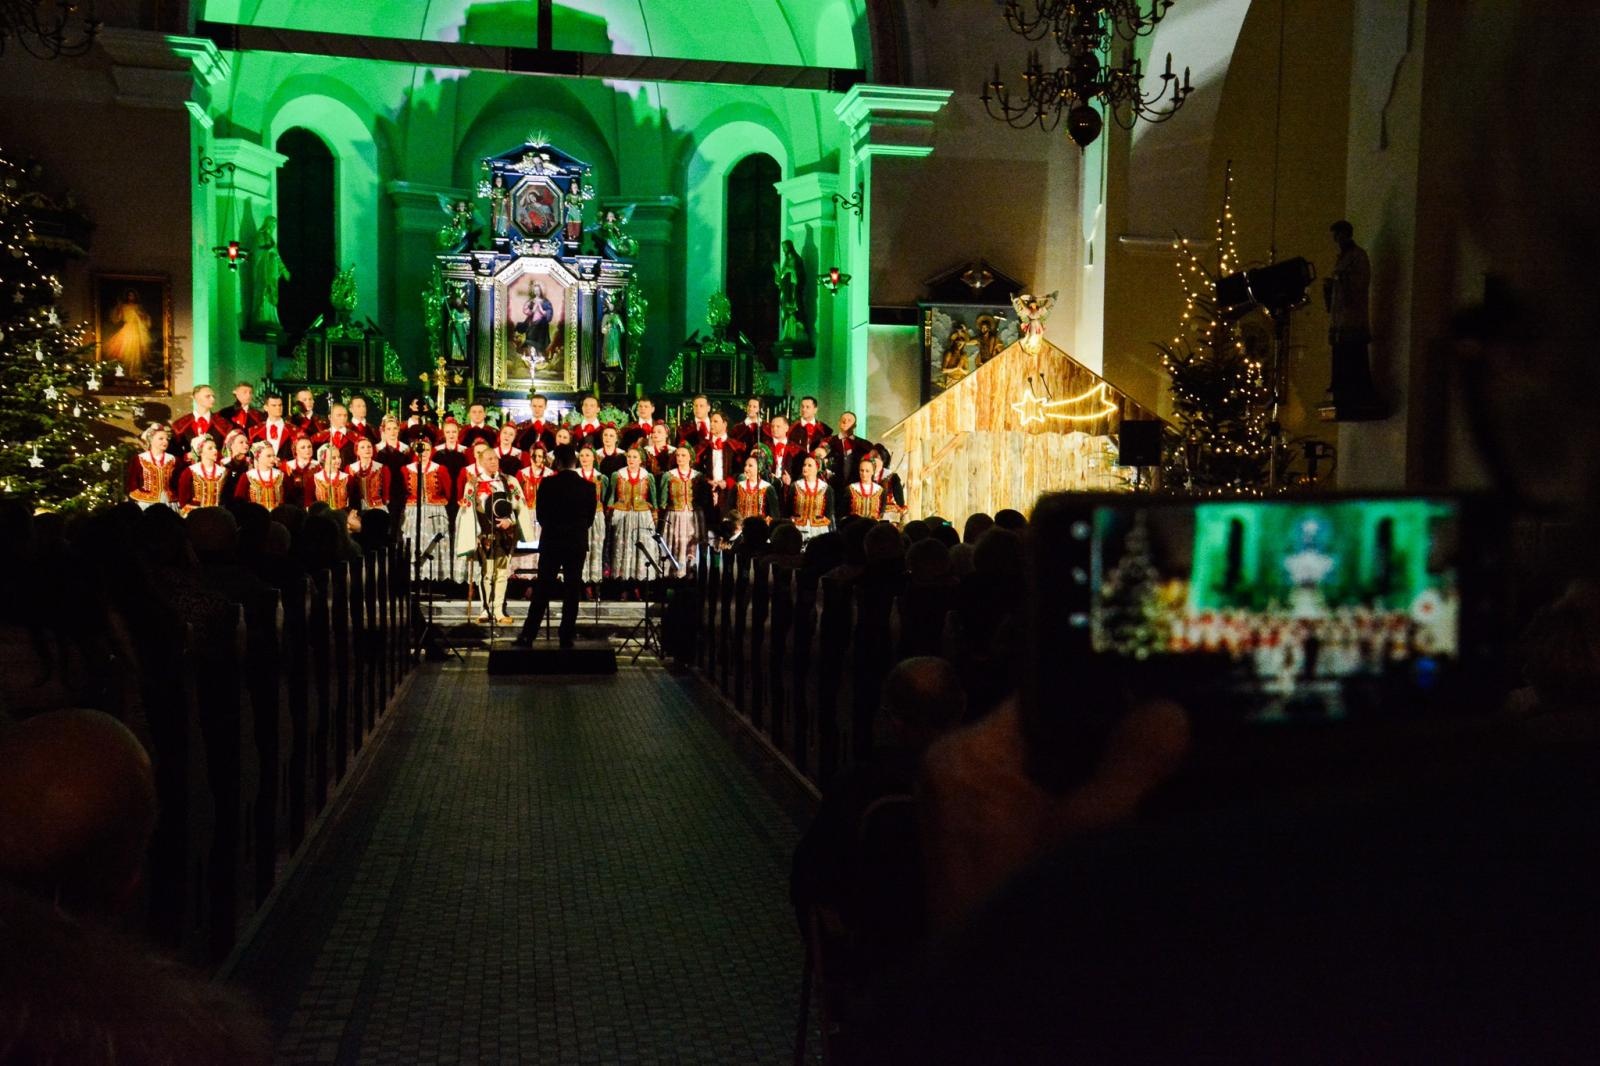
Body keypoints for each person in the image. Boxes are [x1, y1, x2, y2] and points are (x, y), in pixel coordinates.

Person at [515, 445, 596, 648]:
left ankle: (529, 635)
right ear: (574, 462)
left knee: (543, 588)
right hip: (576, 543)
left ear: (557, 463)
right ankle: (566, 635)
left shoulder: (548, 484)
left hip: (552, 541)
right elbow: (589, 519)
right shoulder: (588, 487)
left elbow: (541, 516)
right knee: (572, 589)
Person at [1324, 219, 1383, 416]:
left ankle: (1355, 387)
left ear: (1346, 234)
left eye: (1338, 235)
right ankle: (1340, 385)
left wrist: (1342, 282)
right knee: (1340, 350)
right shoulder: (1342, 257)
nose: (1336, 240)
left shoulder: (1358, 256)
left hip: (1352, 314)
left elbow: (1361, 281)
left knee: (1353, 351)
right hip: (1340, 314)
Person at [468, 450, 531, 626]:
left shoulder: (509, 481)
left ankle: (498, 610)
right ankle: (485, 609)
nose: (494, 461)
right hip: (485, 536)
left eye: (495, 458)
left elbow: (520, 505)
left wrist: (509, 521)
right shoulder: (474, 483)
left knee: (502, 573)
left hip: (504, 536)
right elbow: (467, 512)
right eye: (489, 459)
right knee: (487, 573)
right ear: (480, 461)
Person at [607, 447, 657, 591]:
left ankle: (639, 586)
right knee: (623, 548)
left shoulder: (647, 476)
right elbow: (611, 498)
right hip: (623, 515)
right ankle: (623, 586)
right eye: (629, 456)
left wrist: (654, 516)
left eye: (635, 457)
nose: (631, 460)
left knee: (641, 549)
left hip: (642, 515)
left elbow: (654, 500)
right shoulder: (618, 475)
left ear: (641, 460)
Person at [402, 438, 453, 568]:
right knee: (414, 540)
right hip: (413, 510)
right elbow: (403, 491)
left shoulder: (440, 469)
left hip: (435, 510)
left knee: (435, 541)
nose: (424, 453)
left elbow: (448, 491)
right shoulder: (406, 469)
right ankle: (414, 573)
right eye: (421, 450)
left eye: (427, 450)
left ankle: (434, 574)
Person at [657, 443, 705, 578]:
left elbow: (702, 498)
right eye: (677, 455)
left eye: (683, 455)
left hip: (691, 515)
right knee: (674, 544)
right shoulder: (669, 475)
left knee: (690, 544)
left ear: (691, 457)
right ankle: (671, 576)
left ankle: (688, 575)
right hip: (674, 515)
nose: (680, 458)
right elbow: (663, 500)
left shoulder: (697, 476)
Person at [696, 411, 746, 516]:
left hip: (729, 493)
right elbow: (697, 469)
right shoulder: (703, 446)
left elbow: (740, 470)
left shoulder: (736, 446)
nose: (712, 424)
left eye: (715, 421)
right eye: (711, 421)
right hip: (708, 492)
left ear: (724, 424)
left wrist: (727, 482)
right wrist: (707, 481)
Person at [575, 445, 608, 589]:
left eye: (588, 455)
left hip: (596, 516)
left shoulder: (601, 478)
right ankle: (579, 582)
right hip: (577, 517)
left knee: (595, 547)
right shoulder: (575, 475)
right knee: (579, 548)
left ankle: (594, 582)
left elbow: (604, 498)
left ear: (594, 458)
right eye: (582, 455)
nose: (584, 458)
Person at [101, 288, 152, 377]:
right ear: (127, 296)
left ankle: (135, 372)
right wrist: (118, 307)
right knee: (126, 350)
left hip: (137, 330)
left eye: (132, 295)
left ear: (135, 297)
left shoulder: (138, 306)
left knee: (136, 351)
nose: (130, 297)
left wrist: (142, 316)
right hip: (128, 329)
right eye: (129, 295)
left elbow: (145, 318)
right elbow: (117, 319)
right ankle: (125, 372)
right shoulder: (123, 306)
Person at [169, 384, 232, 455]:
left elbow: (229, 449)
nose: (213, 399)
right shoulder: (181, 424)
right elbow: (173, 450)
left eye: (213, 396)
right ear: (196, 398)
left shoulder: (223, 424)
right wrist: (186, 457)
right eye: (208, 396)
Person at [126, 424, 177, 510]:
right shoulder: (140, 458)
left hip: (168, 503)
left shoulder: (172, 459)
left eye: (167, 439)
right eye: (161, 438)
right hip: (146, 503)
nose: (165, 441)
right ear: (151, 440)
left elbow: (176, 482)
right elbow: (132, 483)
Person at [176, 436, 228, 513]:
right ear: (200, 452)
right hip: (196, 514)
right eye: (210, 448)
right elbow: (183, 498)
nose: (215, 450)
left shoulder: (223, 471)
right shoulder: (190, 471)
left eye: (215, 447)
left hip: (217, 514)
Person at [790, 455, 835, 539]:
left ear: (817, 468)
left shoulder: (825, 488)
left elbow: (829, 512)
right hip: (798, 527)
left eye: (809, 465)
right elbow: (788, 509)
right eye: (804, 465)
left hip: (819, 529)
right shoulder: (795, 486)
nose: (805, 467)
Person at [235, 441, 287, 508]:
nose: (272, 459)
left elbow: (290, 499)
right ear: (258, 457)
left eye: (273, 455)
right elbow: (239, 501)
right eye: (268, 456)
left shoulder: (281, 475)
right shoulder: (247, 476)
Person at [347, 437, 389, 513]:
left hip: (377, 508)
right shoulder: (350, 468)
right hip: (356, 508)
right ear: (357, 451)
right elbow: (349, 491)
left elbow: (385, 492)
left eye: (369, 447)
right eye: (362, 447)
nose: (367, 449)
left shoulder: (382, 468)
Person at [733, 455, 780, 520]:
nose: (746, 468)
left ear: (759, 468)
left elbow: (774, 515)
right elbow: (730, 511)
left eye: (750, 465)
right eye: (745, 465)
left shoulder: (768, 488)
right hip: (740, 528)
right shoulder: (738, 486)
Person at [250, 394, 295, 459]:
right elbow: (252, 454)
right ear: (266, 408)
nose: (278, 408)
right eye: (274, 405)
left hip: (286, 468)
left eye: (280, 405)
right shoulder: (254, 431)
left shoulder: (293, 430)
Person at [311, 442, 352, 509]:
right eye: (333, 458)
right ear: (323, 460)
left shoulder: (347, 478)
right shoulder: (314, 479)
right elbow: (309, 502)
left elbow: (353, 501)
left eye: (339, 457)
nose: (338, 460)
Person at [280, 434, 318, 506]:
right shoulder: (287, 467)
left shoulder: (318, 466)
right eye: (303, 447)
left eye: (309, 447)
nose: (307, 450)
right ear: (295, 450)